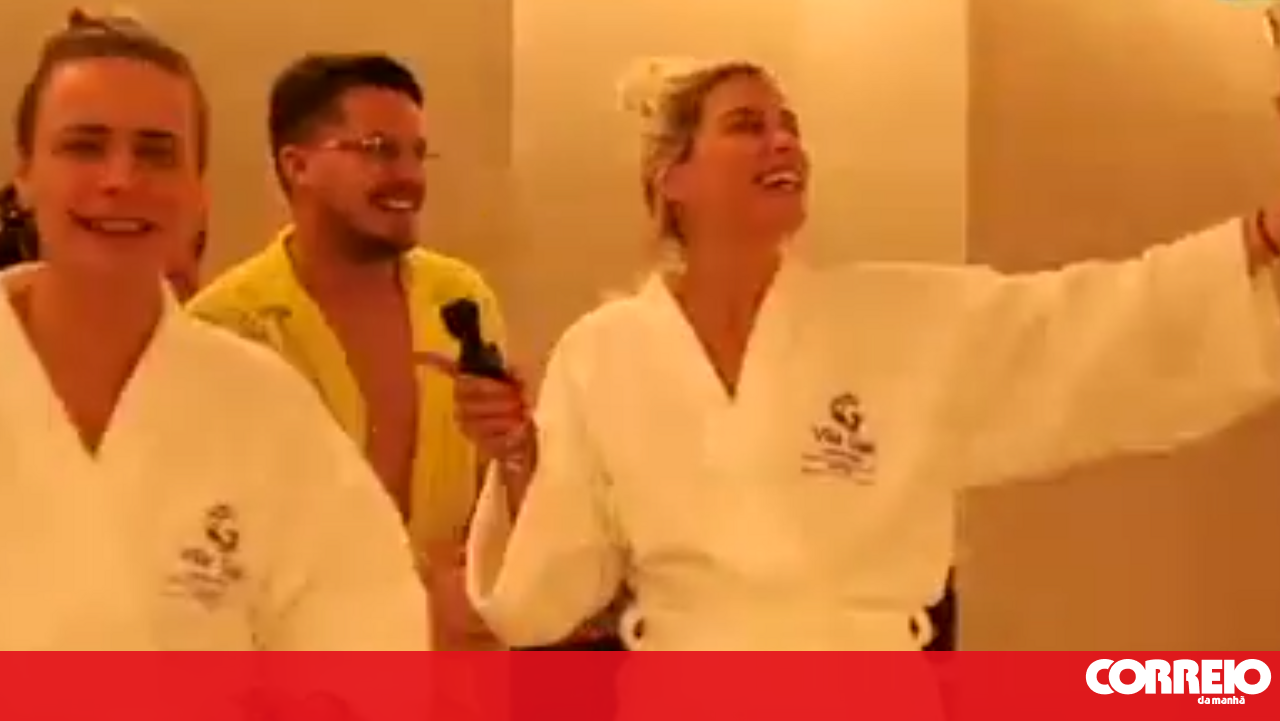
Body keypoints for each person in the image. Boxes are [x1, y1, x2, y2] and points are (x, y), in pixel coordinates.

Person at [435, 58, 1280, 651]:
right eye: (748, 126)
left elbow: (1079, 321)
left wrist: (1256, 241)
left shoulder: (897, 322)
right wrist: (518, 458)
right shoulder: (604, 353)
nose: (784, 144)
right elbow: (548, 595)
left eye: (790, 128)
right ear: (673, 178)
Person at [0, 11, 428, 650]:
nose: (120, 179)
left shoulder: (266, 411)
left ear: (198, 191)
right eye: (84, 145)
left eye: (157, 152)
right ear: (26, 176)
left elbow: (366, 638)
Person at [187, 53, 503, 650]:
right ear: (297, 164)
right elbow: (215, 553)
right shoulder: (225, 328)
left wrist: (519, 453)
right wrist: (406, 602)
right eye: (379, 150)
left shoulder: (461, 298)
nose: (408, 176)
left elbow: (501, 503)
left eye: (417, 153)